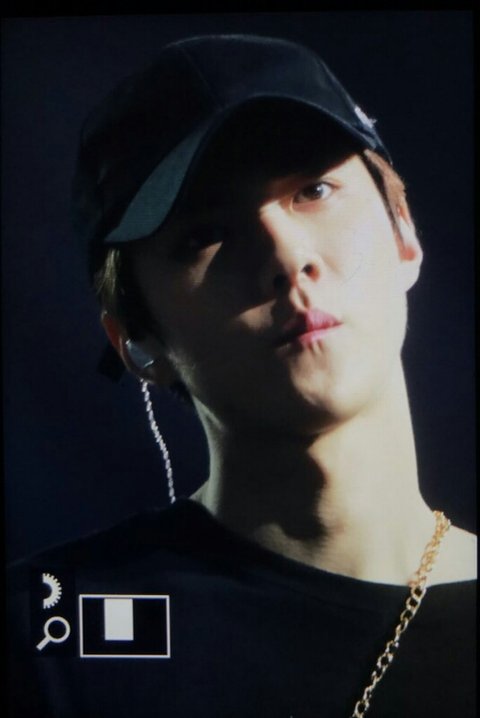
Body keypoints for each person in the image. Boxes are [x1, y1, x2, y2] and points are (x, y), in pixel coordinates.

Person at [7, 34, 476, 718]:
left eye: (314, 189)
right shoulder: (53, 634)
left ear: (403, 231)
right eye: (205, 233)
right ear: (135, 340)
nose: (287, 257)